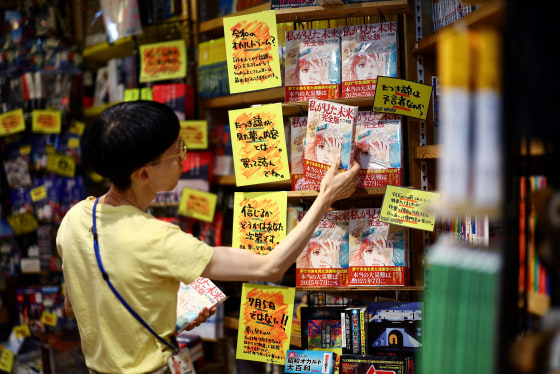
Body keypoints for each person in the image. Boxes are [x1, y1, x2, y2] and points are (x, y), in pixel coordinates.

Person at [56, 100, 360, 374]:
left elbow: (76, 306)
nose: (182, 158)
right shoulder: (156, 238)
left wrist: (166, 314)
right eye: (177, 152)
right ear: (143, 174)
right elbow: (270, 267)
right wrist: (325, 198)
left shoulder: (73, 220)